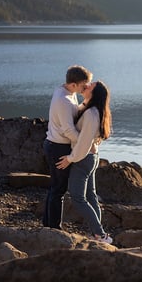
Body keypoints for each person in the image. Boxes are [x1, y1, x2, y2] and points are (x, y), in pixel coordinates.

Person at [56, 80, 112, 243]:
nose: (86, 85)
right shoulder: (89, 109)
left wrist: (69, 159)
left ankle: (101, 235)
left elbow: (84, 142)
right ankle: (98, 233)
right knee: (90, 196)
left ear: (94, 93)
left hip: (83, 159)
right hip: (90, 158)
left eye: (90, 86)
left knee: (78, 198)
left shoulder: (91, 114)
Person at [43, 64, 93, 229]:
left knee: (55, 188)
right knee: (59, 189)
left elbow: (74, 114)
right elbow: (68, 129)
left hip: (56, 144)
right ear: (73, 84)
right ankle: (54, 228)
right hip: (58, 147)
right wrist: (85, 144)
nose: (85, 88)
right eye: (83, 85)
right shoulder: (63, 100)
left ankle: (48, 224)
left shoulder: (67, 92)